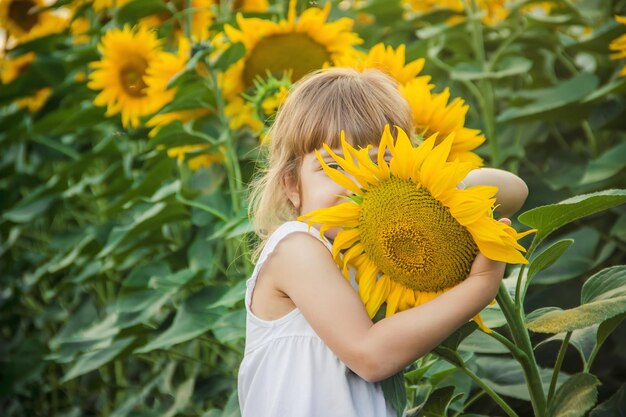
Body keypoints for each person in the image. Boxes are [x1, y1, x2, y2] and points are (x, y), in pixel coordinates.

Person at [238, 68, 529, 417]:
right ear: (291, 186)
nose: (358, 183)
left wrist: (432, 185)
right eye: (333, 166)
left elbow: (515, 190)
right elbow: (370, 356)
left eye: (379, 163)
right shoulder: (296, 247)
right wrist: (480, 286)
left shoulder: (381, 261)